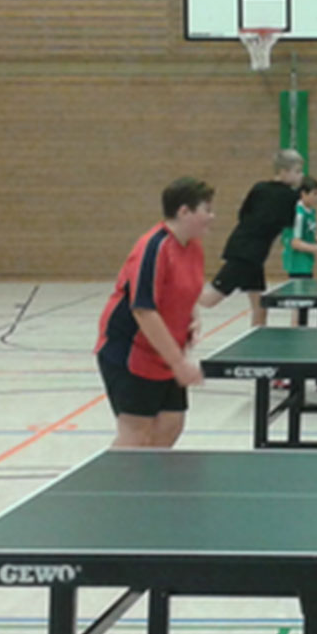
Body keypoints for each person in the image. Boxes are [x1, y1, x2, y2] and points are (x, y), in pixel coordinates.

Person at [96, 177, 215, 449]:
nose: (212, 216)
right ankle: (113, 478)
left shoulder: (193, 247)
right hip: (130, 351)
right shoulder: (153, 247)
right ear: (184, 211)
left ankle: (146, 478)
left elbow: (184, 289)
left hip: (164, 352)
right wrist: (179, 363)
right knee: (137, 435)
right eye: (206, 210)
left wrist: (192, 316)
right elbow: (143, 309)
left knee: (171, 425)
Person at [198, 150, 304, 328]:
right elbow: (289, 222)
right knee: (209, 300)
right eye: (297, 171)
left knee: (260, 306)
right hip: (245, 255)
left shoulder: (259, 187)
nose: (301, 175)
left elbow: (243, 213)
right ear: (284, 171)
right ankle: (173, 292)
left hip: (251, 252)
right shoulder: (290, 196)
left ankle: (258, 337)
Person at [280, 175, 317, 323]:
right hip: (297, 263)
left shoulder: (310, 212)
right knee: (298, 305)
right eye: (315, 193)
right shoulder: (298, 214)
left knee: (304, 304)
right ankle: (295, 333)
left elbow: (309, 234)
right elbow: (295, 242)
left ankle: (300, 330)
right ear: (303, 194)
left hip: (306, 263)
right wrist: (314, 248)